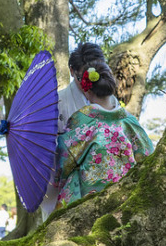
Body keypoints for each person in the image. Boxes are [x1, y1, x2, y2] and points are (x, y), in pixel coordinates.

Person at [54, 61, 154, 209]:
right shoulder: (130, 122)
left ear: (86, 90)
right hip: (127, 199)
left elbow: (64, 162)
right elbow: (148, 157)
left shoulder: (81, 121)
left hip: (89, 201)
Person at [41, 43, 120, 218]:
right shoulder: (57, 102)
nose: (88, 87)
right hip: (71, 185)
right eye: (82, 79)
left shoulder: (113, 102)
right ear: (71, 71)